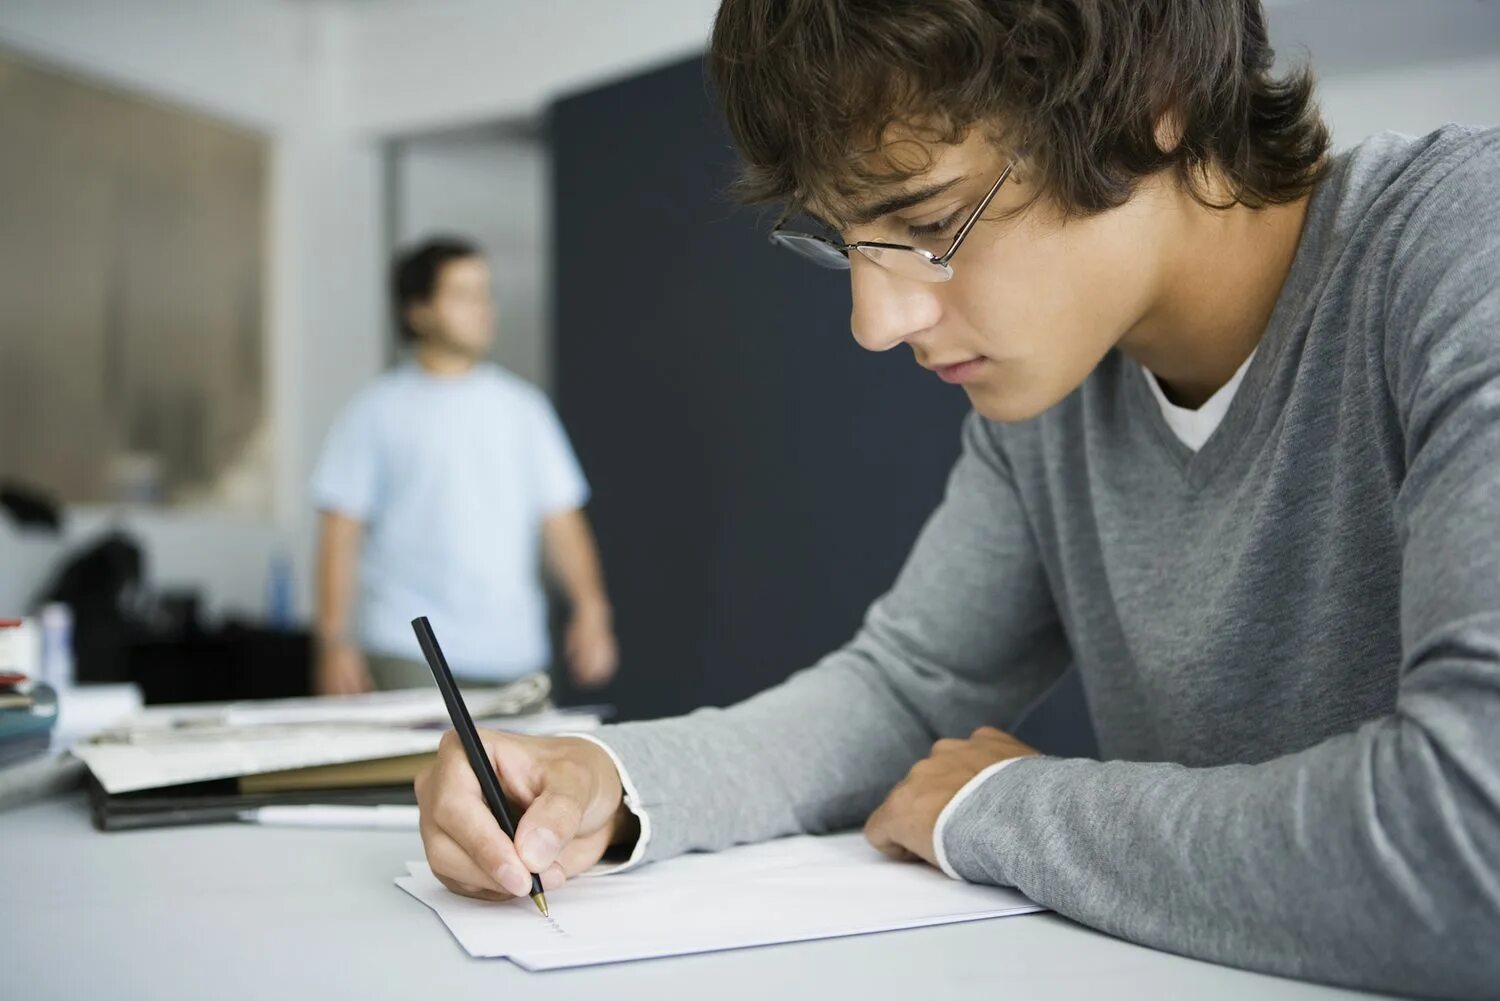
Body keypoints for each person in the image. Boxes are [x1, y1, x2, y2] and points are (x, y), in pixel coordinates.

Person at [412, 2, 1500, 995]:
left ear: (1155, 104)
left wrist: (1005, 807)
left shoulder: (1462, 249)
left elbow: (1472, 839)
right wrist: (606, 776)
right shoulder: (1062, 396)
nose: (875, 322)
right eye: (845, 242)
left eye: (927, 218)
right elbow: (908, 686)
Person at [311, 237, 618, 694]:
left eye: (485, 292)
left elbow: (561, 522)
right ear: (418, 311)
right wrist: (334, 642)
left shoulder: (524, 409)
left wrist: (592, 609)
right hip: (409, 650)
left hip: (515, 654)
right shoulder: (374, 411)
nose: (483, 308)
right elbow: (341, 531)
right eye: (463, 295)